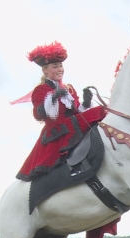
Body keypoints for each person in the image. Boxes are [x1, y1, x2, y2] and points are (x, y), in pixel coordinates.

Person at [12, 41, 107, 181]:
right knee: (100, 112)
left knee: (100, 111)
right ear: (45, 70)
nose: (60, 69)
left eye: (61, 66)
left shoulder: (69, 89)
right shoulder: (42, 90)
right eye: (55, 66)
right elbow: (38, 114)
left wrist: (86, 103)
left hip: (71, 123)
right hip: (57, 131)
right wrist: (53, 97)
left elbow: (77, 113)